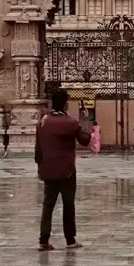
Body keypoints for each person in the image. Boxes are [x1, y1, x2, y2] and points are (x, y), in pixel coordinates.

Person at [34, 88, 91, 251]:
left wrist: (41, 167)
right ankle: (70, 239)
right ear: (66, 104)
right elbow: (85, 140)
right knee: (68, 204)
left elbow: (38, 148)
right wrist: (85, 120)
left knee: (48, 204)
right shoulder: (70, 122)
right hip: (67, 171)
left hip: (48, 170)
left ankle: (43, 240)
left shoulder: (43, 121)